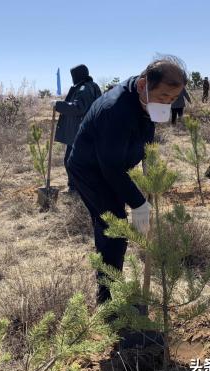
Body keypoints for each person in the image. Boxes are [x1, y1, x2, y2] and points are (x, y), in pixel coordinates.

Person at [67, 58, 186, 303]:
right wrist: (138, 202)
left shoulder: (146, 102)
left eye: (172, 99)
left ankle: (111, 288)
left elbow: (146, 136)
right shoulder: (115, 109)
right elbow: (110, 167)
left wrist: (150, 170)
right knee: (114, 226)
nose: (167, 103)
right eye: (163, 96)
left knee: (114, 226)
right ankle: (107, 298)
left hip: (112, 164)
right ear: (143, 84)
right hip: (90, 170)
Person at [51, 64, 102, 193]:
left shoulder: (84, 88)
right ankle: (77, 187)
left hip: (81, 133)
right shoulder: (91, 86)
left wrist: (58, 105)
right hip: (86, 132)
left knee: (72, 161)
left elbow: (78, 107)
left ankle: (76, 188)